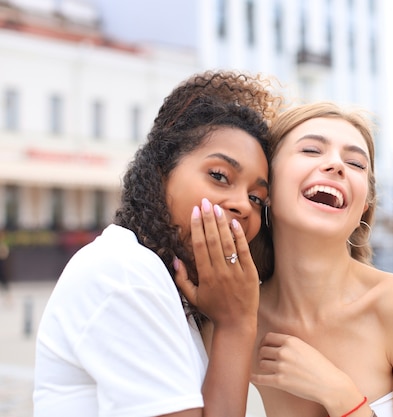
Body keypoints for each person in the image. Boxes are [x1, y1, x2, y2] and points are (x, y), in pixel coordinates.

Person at [33, 70, 283, 417]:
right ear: (162, 172)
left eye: (257, 198)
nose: (243, 204)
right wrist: (236, 325)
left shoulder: (165, 285)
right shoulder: (125, 274)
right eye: (219, 176)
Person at [242, 102, 393, 417]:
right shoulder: (232, 324)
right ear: (265, 185)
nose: (337, 165)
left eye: (355, 163)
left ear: (365, 205)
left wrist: (340, 395)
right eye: (311, 150)